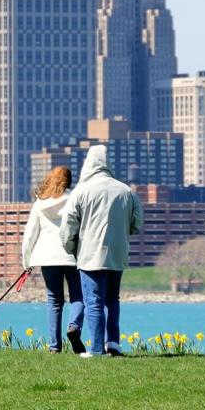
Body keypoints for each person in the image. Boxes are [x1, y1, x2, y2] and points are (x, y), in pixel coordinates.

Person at [60, 144, 143, 357]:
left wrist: (71, 247)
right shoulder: (126, 191)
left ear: (88, 164)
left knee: (93, 301)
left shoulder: (81, 191)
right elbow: (137, 224)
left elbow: (68, 226)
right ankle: (113, 343)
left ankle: (96, 349)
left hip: (90, 255)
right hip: (117, 253)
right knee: (112, 299)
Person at [20, 166, 86, 354]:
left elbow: (30, 235)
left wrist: (27, 263)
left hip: (47, 258)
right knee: (78, 296)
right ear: (69, 181)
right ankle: (74, 326)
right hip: (72, 256)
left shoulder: (40, 204)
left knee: (54, 301)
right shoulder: (76, 199)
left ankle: (54, 346)